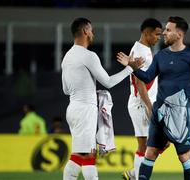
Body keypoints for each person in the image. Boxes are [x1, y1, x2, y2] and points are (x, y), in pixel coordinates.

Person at [118, 16, 190, 180]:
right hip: (159, 110)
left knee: (184, 155)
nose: (164, 33)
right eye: (164, 30)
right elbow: (146, 77)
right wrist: (132, 67)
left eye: (168, 30)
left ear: (179, 34)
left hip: (179, 112)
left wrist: (183, 95)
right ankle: (136, 176)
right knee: (150, 152)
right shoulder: (160, 56)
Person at [61, 17, 143, 180]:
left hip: (73, 109)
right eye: (90, 30)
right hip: (85, 110)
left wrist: (86, 89)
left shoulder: (67, 57)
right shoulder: (88, 55)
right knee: (89, 157)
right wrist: (130, 69)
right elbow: (108, 82)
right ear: (85, 31)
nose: (92, 33)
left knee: (78, 156)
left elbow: (65, 90)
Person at [122, 18, 162, 180]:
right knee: (145, 145)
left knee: (161, 142)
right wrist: (149, 107)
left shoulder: (143, 49)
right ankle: (137, 175)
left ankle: (135, 173)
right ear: (146, 33)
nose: (159, 37)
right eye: (157, 34)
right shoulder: (139, 52)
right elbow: (140, 83)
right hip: (141, 104)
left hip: (146, 102)